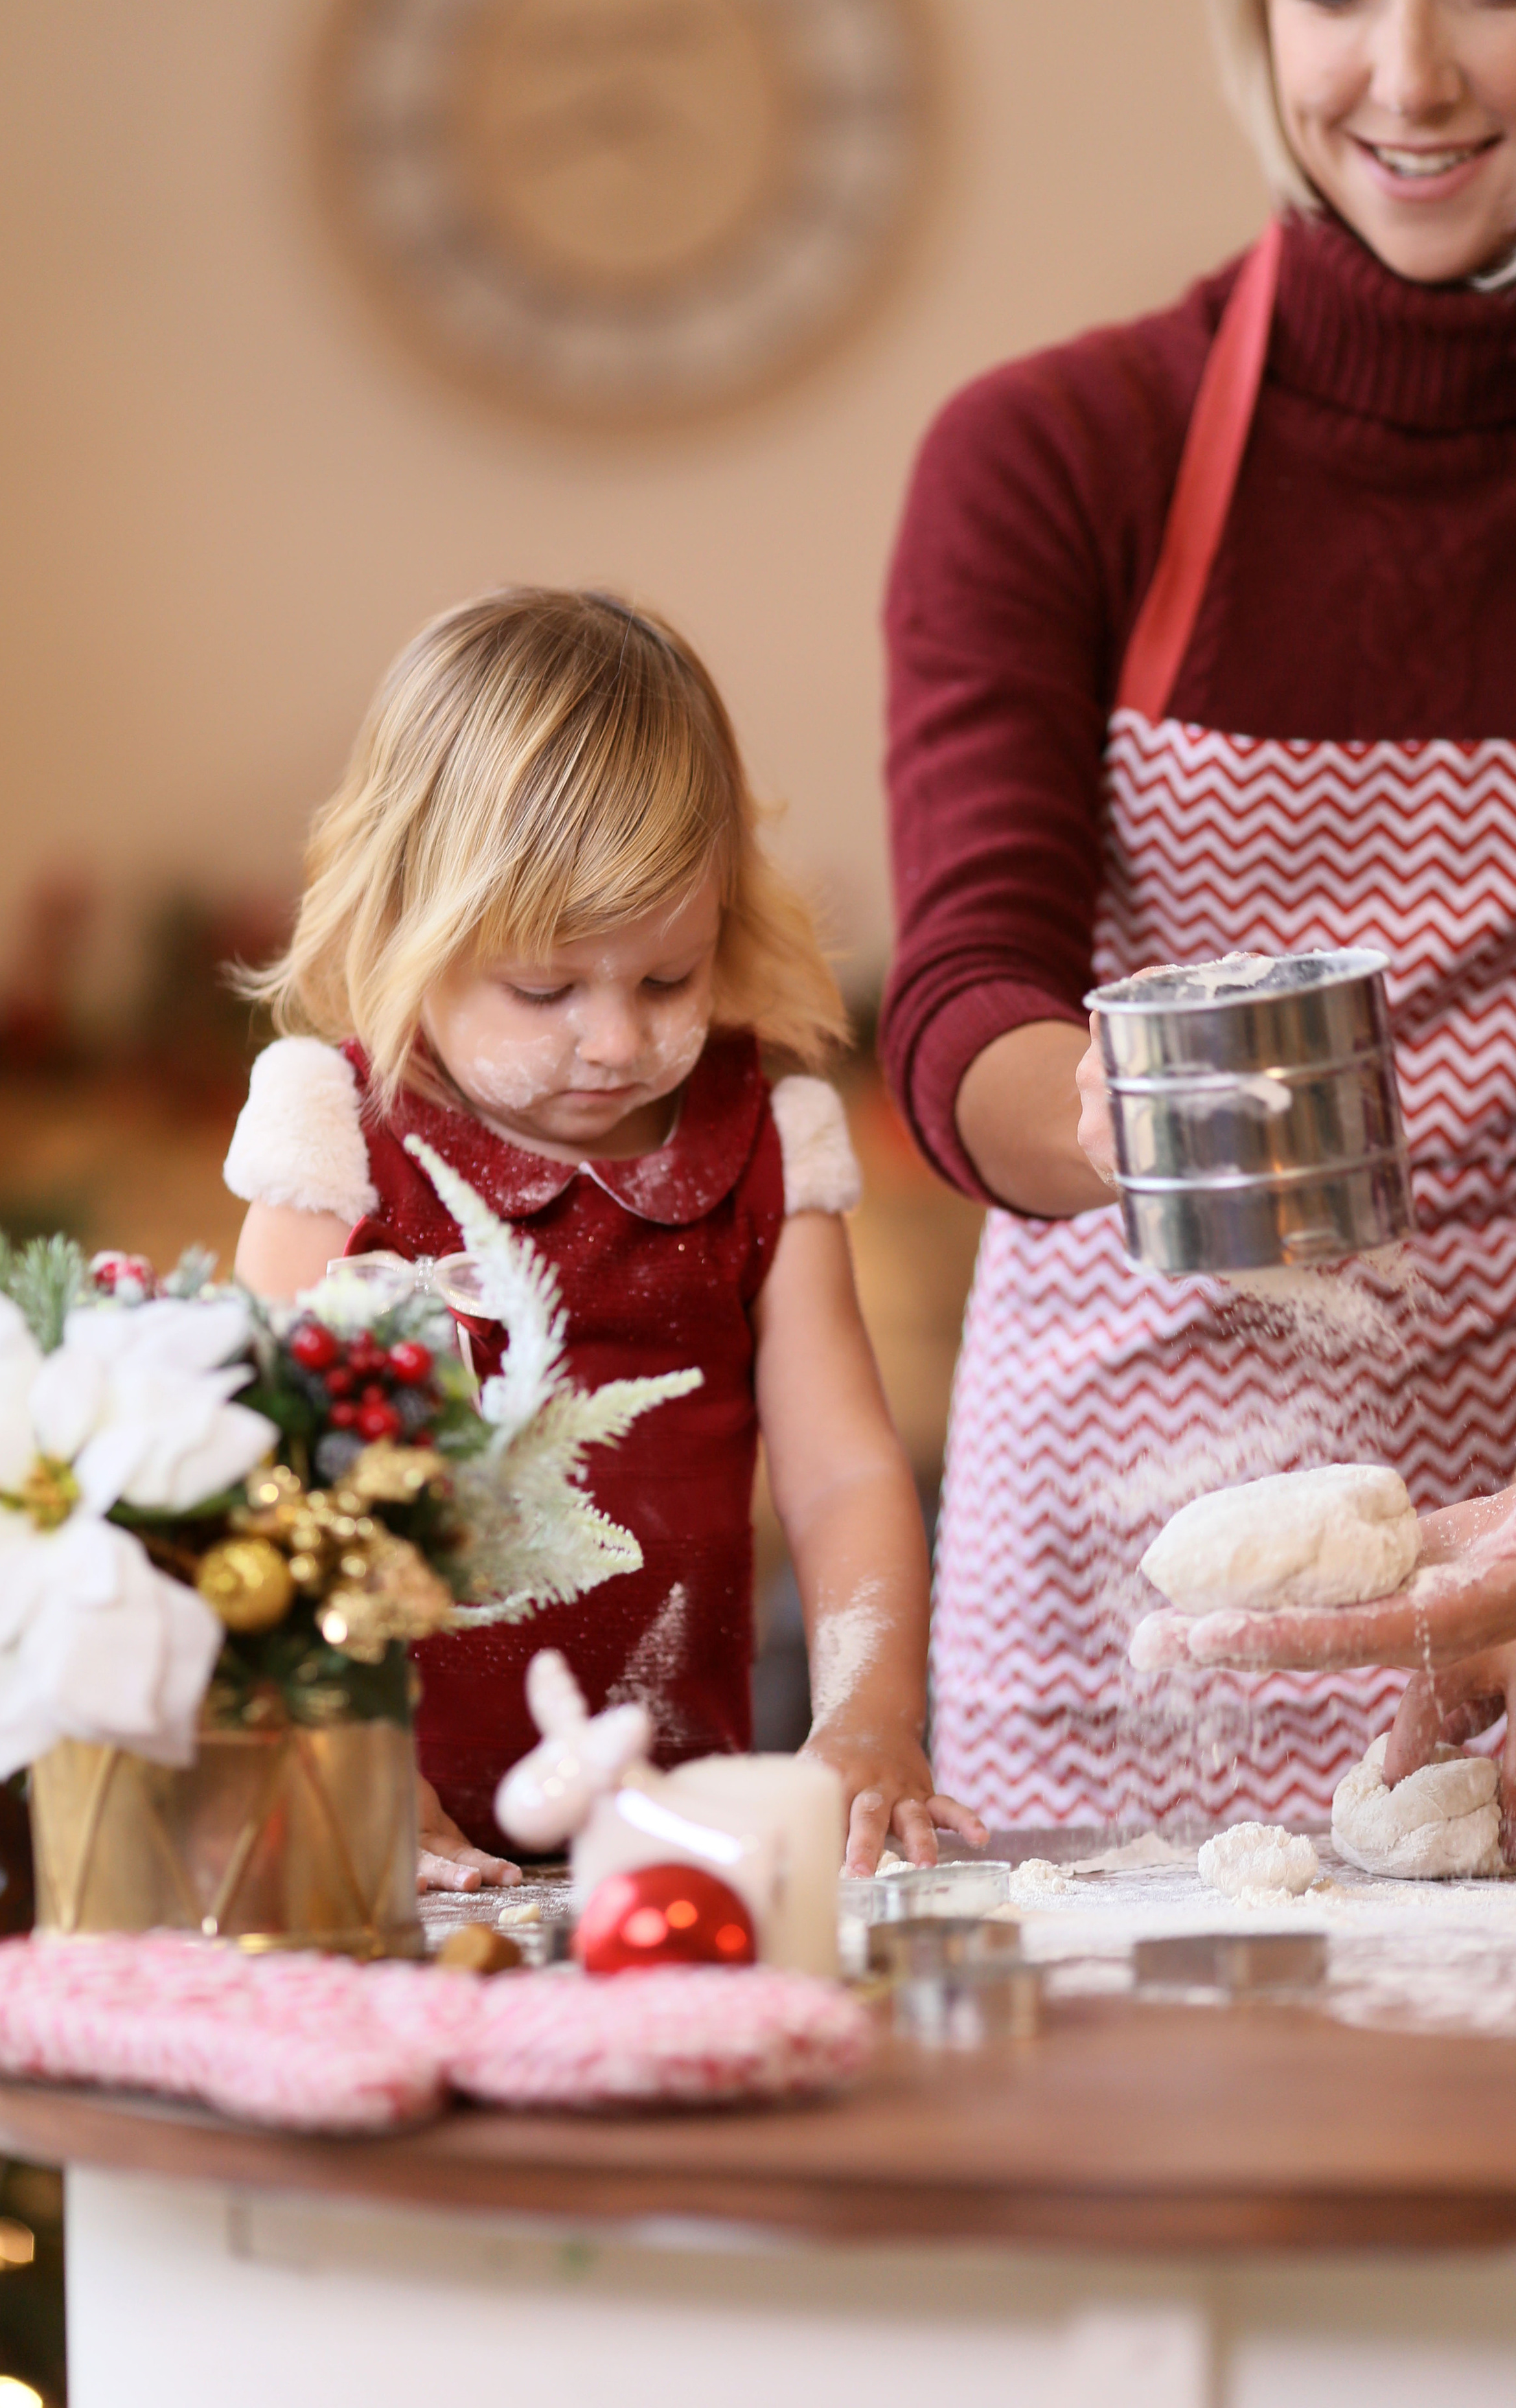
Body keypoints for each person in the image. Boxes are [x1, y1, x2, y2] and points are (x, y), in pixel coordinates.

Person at [880, 0, 1516, 1838]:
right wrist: (1134, 1117)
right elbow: (963, 999)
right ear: (1251, 8)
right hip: (1118, 1562)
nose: (1407, 77)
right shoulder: (1054, 453)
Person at [226, 586, 984, 1886]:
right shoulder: (336, 1138)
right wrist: (338, 1746)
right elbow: (255, 1484)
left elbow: (844, 1474)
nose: (617, 1040)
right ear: (405, 926)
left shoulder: (765, 1144)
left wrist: (868, 1715)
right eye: (544, 989)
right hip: (387, 1826)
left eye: (666, 979)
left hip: (672, 1823)